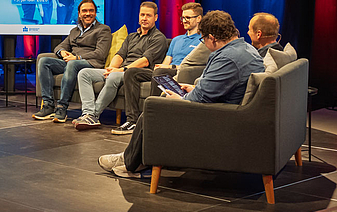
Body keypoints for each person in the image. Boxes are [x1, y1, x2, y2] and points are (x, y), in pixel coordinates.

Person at [99, 10, 265, 177]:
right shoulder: (245, 48)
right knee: (161, 102)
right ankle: (136, 158)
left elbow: (199, 99)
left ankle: (130, 163)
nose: (205, 45)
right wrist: (193, 88)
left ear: (212, 38)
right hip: (226, 110)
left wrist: (181, 98)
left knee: (152, 108)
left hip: (218, 118)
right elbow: (218, 88)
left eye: (203, 39)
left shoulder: (227, 58)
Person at [72, 2, 168, 130]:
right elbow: (120, 55)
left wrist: (119, 70)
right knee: (84, 73)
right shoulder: (132, 37)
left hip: (137, 73)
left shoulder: (158, 38)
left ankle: (94, 115)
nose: (144, 18)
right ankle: (88, 113)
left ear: (155, 18)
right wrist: (110, 68)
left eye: (148, 15)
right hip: (120, 70)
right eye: (142, 15)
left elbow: (145, 61)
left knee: (113, 77)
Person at [113, 2, 205, 135]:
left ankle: (150, 117)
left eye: (188, 18)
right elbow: (166, 61)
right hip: (164, 70)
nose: (184, 21)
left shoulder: (202, 41)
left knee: (160, 72)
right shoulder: (176, 40)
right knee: (132, 72)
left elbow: (193, 65)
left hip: (181, 71)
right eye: (183, 18)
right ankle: (132, 120)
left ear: (199, 18)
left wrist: (169, 67)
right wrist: (163, 66)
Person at [33, 0, 111, 123]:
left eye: (91, 11)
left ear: (95, 13)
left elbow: (100, 54)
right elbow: (59, 46)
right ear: (79, 14)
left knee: (72, 64)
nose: (88, 14)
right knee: (44, 61)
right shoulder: (74, 31)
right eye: (84, 11)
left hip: (91, 64)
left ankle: (62, 107)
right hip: (72, 63)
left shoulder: (103, 29)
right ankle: (48, 105)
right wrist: (62, 52)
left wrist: (77, 58)